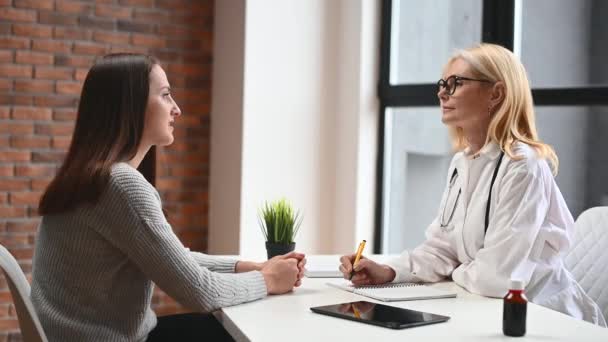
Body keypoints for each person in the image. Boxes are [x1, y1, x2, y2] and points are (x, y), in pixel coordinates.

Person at [31, 53, 306, 342]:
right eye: (165, 96)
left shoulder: (90, 177)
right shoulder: (120, 185)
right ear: (131, 106)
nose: (177, 109)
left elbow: (172, 258)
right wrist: (269, 280)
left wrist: (248, 267)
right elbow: (201, 292)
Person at [340, 43, 606, 326]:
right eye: (443, 83)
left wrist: (456, 268)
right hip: (484, 309)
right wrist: (388, 271)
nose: (442, 92)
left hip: (544, 319)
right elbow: (443, 248)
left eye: (457, 83)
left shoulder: (523, 165)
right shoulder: (462, 163)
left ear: (496, 93)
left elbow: (497, 278)